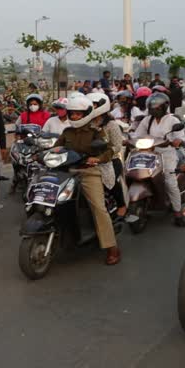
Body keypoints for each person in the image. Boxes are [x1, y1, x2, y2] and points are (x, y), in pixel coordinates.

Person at [54, 97, 121, 264]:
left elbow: (109, 151)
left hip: (88, 173)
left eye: (78, 114)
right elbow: (55, 147)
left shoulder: (96, 132)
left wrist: (97, 159)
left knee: (99, 208)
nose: (75, 117)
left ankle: (112, 247)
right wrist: (49, 151)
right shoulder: (67, 132)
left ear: (86, 114)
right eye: (72, 114)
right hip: (67, 172)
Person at [134, 93, 185, 226]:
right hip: (150, 153)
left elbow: (179, 136)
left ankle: (178, 213)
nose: (154, 109)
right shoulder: (147, 120)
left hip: (167, 154)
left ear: (164, 106)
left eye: (157, 106)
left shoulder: (172, 120)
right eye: (152, 106)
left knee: (170, 182)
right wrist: (129, 140)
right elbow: (137, 135)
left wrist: (176, 141)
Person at [87, 92, 127, 216]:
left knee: (110, 181)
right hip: (89, 160)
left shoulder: (111, 125)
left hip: (110, 160)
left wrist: (102, 157)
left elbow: (117, 146)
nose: (91, 109)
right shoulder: (87, 124)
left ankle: (121, 204)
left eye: (94, 105)